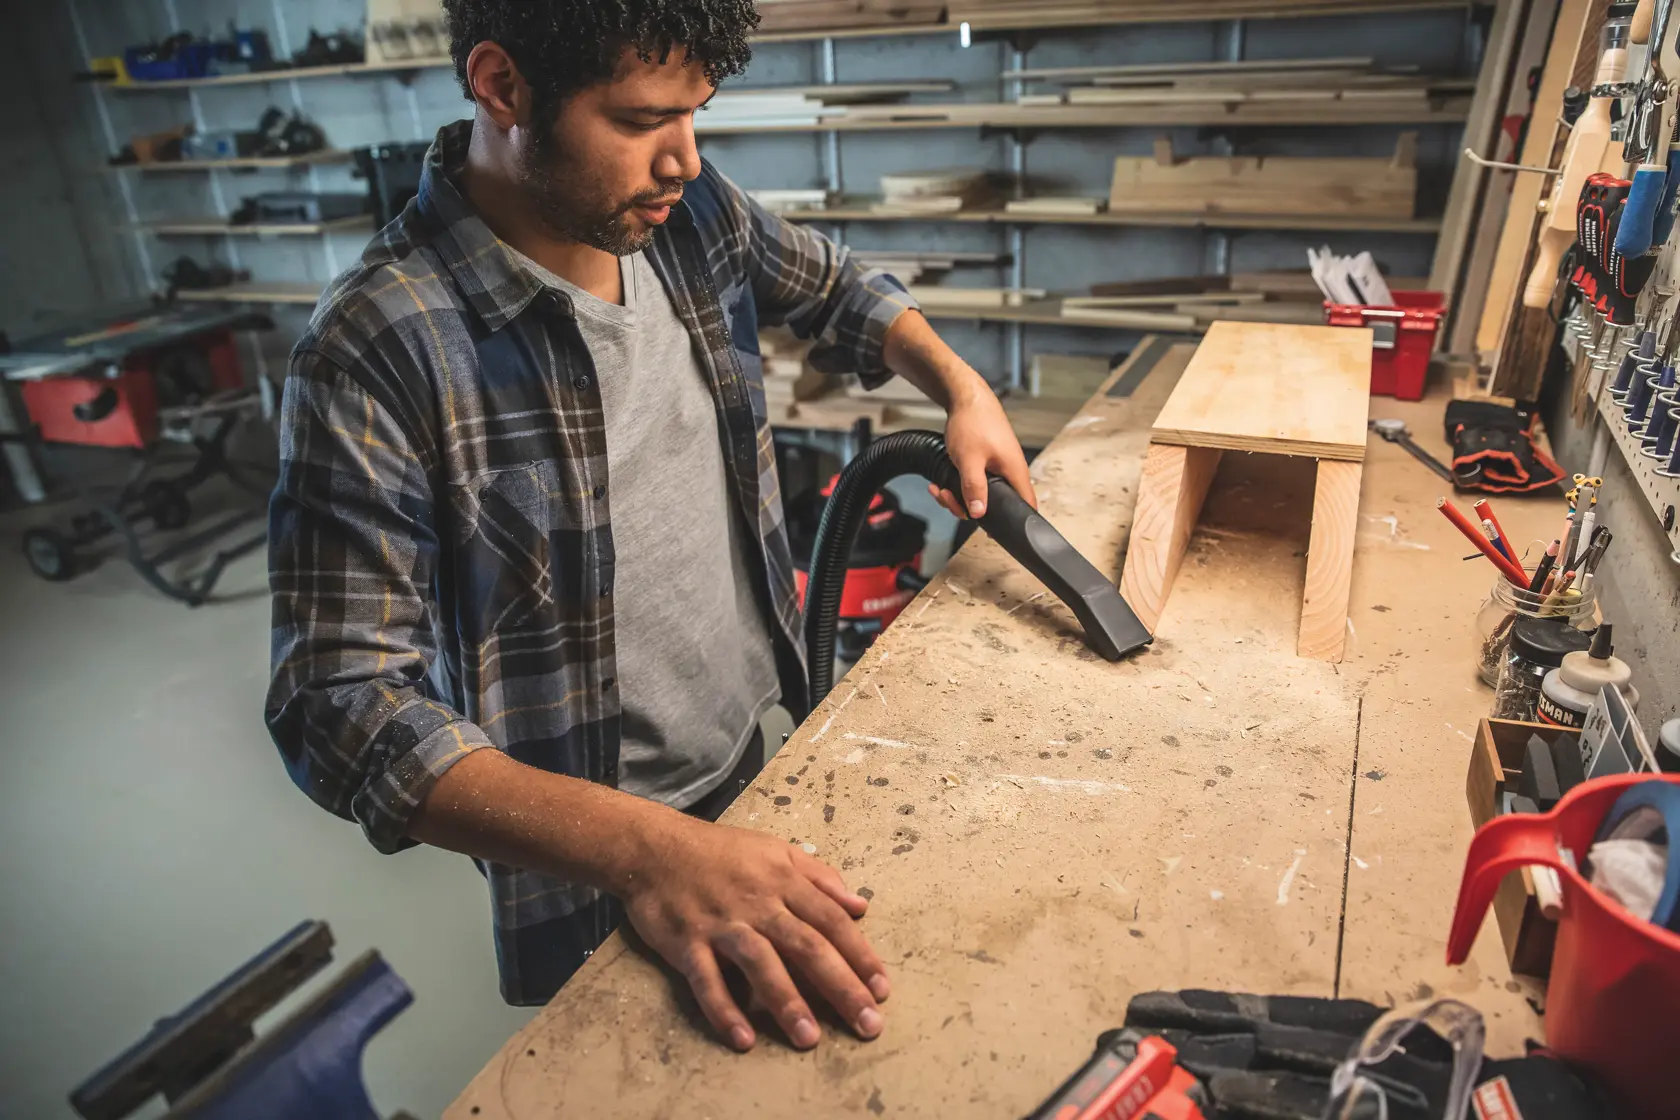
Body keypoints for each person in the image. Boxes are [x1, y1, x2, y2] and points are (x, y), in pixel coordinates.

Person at [266, 0, 1035, 1053]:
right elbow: (339, 703)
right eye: (638, 121)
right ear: (502, 86)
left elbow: (837, 287)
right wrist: (647, 853)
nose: (685, 158)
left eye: (695, 113)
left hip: (757, 746)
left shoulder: (688, 214)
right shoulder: (377, 346)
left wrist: (961, 388)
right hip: (598, 848)